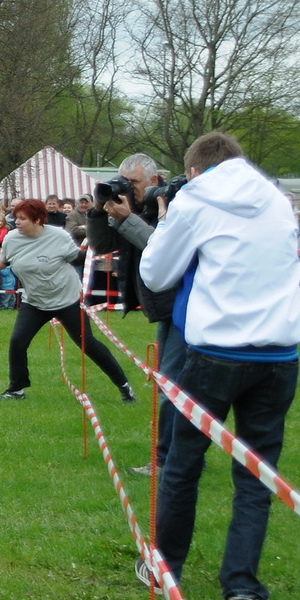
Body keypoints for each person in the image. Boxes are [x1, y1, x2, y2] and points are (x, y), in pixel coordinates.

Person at [139, 131, 300, 600]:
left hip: (217, 350)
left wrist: (169, 221)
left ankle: (165, 567)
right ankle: (242, 583)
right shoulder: (277, 200)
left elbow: (155, 273)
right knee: (257, 471)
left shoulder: (195, 199)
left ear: (194, 172)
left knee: (183, 463)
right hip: (279, 352)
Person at [0, 198, 134, 402]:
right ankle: (16, 390)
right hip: (34, 302)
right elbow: (4, 259)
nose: (16, 222)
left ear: (37, 220)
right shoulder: (12, 238)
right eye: (16, 218)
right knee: (18, 342)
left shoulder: (59, 236)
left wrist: (98, 247)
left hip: (66, 300)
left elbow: (77, 258)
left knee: (87, 344)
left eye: (22, 218)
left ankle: (124, 386)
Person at [86, 153, 181, 471]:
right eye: (122, 181)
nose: (125, 188)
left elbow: (162, 248)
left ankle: (167, 460)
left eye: (133, 183)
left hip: (181, 306)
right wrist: (99, 212)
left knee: (171, 385)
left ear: (155, 181)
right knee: (175, 384)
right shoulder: (131, 206)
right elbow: (100, 246)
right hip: (167, 308)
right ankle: (181, 456)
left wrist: (128, 220)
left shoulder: (175, 204)